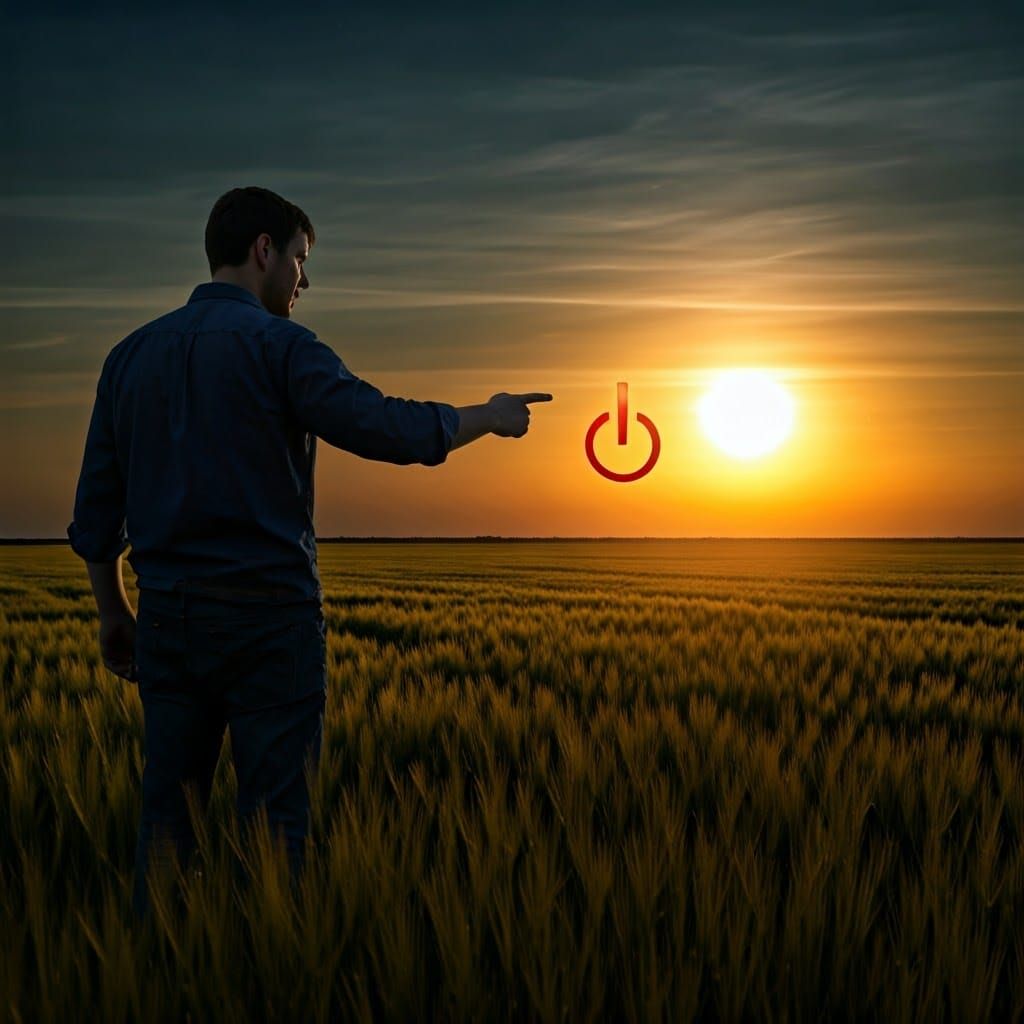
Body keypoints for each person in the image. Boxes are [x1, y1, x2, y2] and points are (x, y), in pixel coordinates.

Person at [66, 186, 553, 916]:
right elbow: (386, 429)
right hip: (272, 625)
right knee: (274, 834)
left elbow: (97, 512)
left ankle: (159, 976)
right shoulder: (282, 347)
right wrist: (490, 414)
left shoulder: (129, 357)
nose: (303, 281)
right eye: (299, 259)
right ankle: (266, 973)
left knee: (167, 827)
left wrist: (114, 612)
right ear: (265, 250)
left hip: (168, 621)